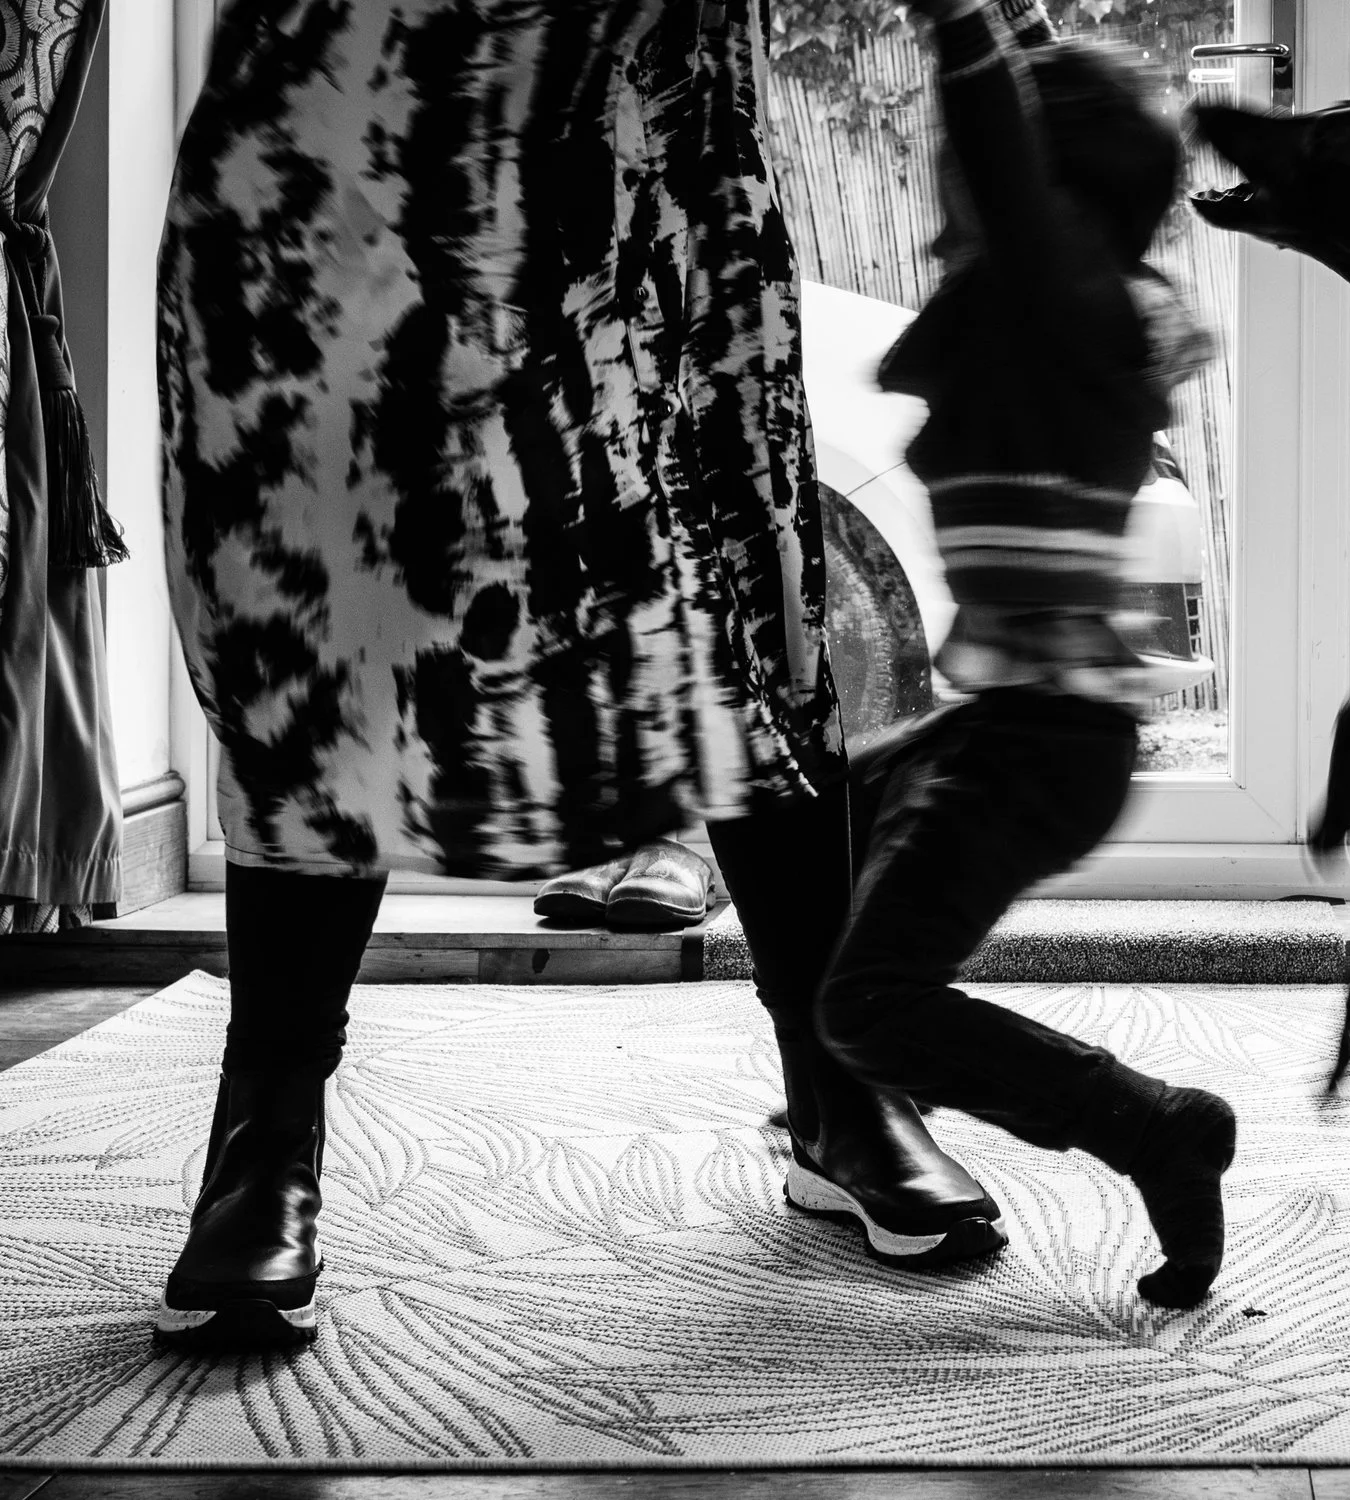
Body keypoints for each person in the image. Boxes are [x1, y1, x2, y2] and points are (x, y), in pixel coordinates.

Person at [154, 0, 1001, 1351]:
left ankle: (843, 1090)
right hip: (341, 104)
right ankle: (265, 1132)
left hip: (643, 100)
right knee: (323, 612)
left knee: (727, 596)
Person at [810, 0, 1236, 1309]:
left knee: (868, 1007)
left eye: (974, 172)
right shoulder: (1049, 313)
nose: (946, 184)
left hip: (1041, 745)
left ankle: (1153, 1124)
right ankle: (845, 1124)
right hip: (997, 724)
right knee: (843, 869)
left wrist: (970, 22)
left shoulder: (1068, 305)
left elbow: (1001, 138)